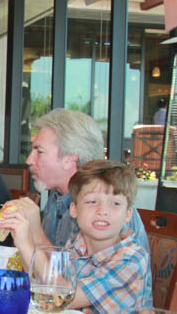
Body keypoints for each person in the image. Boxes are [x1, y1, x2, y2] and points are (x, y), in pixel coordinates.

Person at [2, 160, 151, 314]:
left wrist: (26, 245)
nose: (102, 211)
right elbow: (39, 280)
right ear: (74, 209)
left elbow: (62, 297)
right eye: (92, 202)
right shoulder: (78, 243)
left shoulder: (132, 259)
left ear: (128, 214)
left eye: (115, 203)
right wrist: (26, 240)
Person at [19, 108, 149, 253]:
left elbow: (72, 273)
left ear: (69, 160)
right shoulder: (57, 198)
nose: (30, 160)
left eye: (39, 151)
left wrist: (36, 234)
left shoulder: (109, 213)